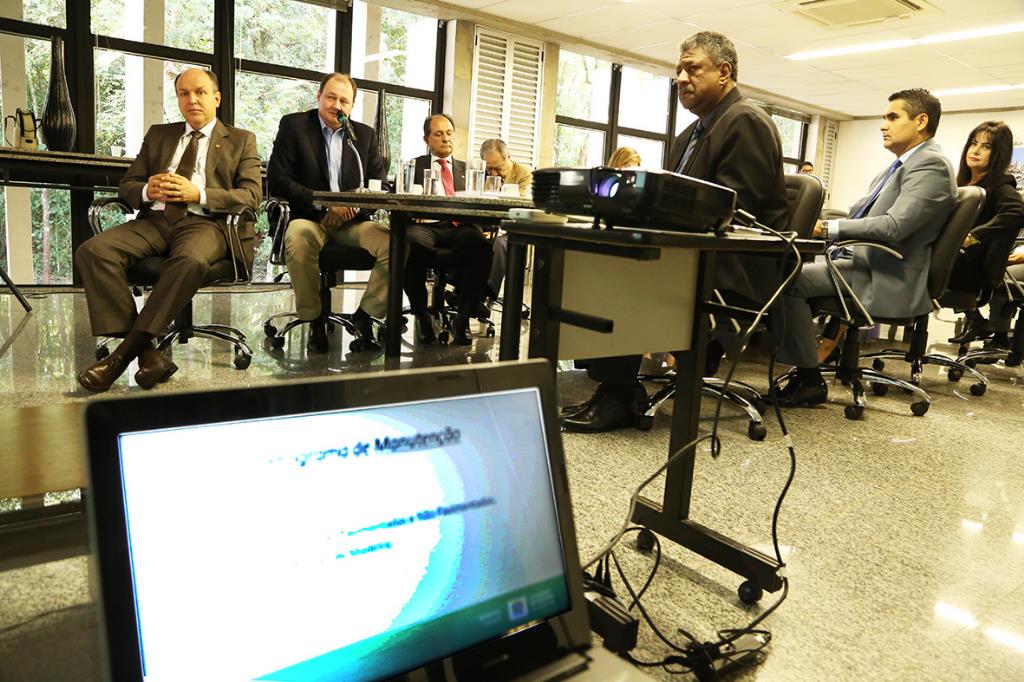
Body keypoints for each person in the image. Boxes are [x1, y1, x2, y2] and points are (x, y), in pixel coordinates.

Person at [562, 31, 789, 432]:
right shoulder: (692, 134)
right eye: (679, 70)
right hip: (692, 257)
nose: (681, 78)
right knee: (599, 259)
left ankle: (618, 394)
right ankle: (618, 386)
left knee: (620, 273)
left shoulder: (746, 122)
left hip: (733, 270)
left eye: (692, 68)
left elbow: (736, 213)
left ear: (724, 72)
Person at [75, 68, 261, 392]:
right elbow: (127, 185)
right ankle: (148, 354)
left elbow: (252, 196)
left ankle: (119, 358)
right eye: (184, 93)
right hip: (155, 220)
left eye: (200, 92)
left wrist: (198, 194)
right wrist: (148, 190)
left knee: (189, 260)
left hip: (208, 222)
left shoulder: (242, 140)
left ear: (216, 98)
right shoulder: (159, 135)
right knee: (93, 250)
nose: (192, 100)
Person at [774, 88, 957, 406]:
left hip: (887, 272)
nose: (883, 125)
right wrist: (822, 224)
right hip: (863, 261)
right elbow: (863, 215)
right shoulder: (900, 165)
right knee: (781, 268)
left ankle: (809, 380)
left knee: (790, 280)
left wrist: (828, 229)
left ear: (921, 121)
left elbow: (894, 226)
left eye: (893, 117)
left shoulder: (932, 165)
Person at [267, 72, 391, 354]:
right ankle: (314, 318)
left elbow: (381, 186)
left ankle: (366, 314)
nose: (337, 106)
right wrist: (324, 205)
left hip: (351, 223)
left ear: (352, 106)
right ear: (319, 97)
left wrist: (353, 206)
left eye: (344, 101)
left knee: (394, 243)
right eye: (331, 98)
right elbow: (278, 180)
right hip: (310, 218)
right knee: (298, 238)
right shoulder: (294, 126)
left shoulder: (363, 136)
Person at [404, 114, 492, 346]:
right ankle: (422, 315)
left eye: (449, 133)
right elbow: (400, 199)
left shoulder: (469, 169)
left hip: (460, 226)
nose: (445, 138)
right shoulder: (414, 166)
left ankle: (462, 318)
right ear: (426, 139)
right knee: (411, 243)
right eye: (439, 134)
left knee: (481, 246)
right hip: (426, 226)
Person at [943, 121, 1024, 344]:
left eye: (986, 146)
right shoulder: (963, 182)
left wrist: (974, 236)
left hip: (969, 268)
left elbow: (1016, 212)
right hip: (954, 260)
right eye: (973, 143)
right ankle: (976, 320)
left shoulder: (1000, 185)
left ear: (998, 154)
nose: (976, 150)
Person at [478, 138, 532, 307]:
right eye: (489, 169)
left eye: (498, 168)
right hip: (485, 226)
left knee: (500, 244)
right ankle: (464, 291)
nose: (493, 174)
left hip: (512, 228)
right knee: (469, 238)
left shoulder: (523, 173)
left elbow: (522, 204)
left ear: (509, 157)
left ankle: (485, 294)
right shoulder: (479, 173)